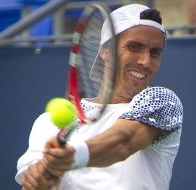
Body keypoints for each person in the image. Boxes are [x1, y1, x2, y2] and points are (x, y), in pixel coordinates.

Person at [15, 4, 183, 190]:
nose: (145, 61)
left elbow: (124, 141)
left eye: (155, 52)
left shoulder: (162, 101)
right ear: (105, 50)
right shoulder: (48, 123)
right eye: (134, 47)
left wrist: (72, 157)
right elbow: (31, 183)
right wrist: (39, 181)